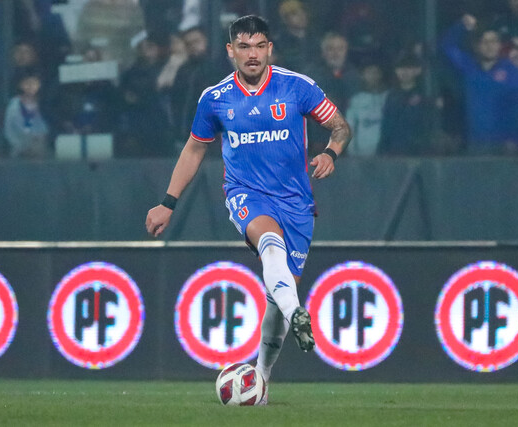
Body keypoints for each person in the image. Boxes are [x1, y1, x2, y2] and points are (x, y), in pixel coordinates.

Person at [145, 15, 352, 404]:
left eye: (259, 46)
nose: (252, 54)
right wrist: (167, 201)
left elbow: (341, 126)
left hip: (296, 203)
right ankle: (297, 313)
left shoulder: (298, 87)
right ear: (230, 51)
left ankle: (262, 376)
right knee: (268, 244)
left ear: (270, 48)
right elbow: (194, 148)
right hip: (246, 193)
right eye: (244, 46)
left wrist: (330, 152)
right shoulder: (215, 98)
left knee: (277, 295)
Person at [441, 14, 518, 155]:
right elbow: (448, 46)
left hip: (504, 145)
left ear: (500, 45)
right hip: (476, 144)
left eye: (494, 41)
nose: (490, 46)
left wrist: (516, 138)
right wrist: (461, 26)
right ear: (477, 46)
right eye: (485, 42)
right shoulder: (470, 67)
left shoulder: (511, 71)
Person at [379, 52, 437, 156]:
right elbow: (386, 124)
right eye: (400, 68)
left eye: (408, 68)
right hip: (394, 151)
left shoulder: (424, 95)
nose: (404, 72)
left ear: (417, 70)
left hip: (418, 152)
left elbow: (428, 125)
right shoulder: (391, 96)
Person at [344, 58, 388, 156]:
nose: (373, 76)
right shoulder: (356, 100)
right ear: (362, 75)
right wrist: (352, 152)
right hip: (360, 156)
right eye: (369, 73)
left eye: (376, 73)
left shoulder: (388, 97)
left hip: (384, 156)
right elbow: (350, 128)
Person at [4, 71, 50, 158]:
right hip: (19, 149)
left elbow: (46, 125)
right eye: (27, 83)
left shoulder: (44, 104)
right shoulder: (14, 104)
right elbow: (9, 127)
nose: (30, 87)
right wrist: (19, 144)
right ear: (20, 85)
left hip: (40, 147)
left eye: (34, 83)